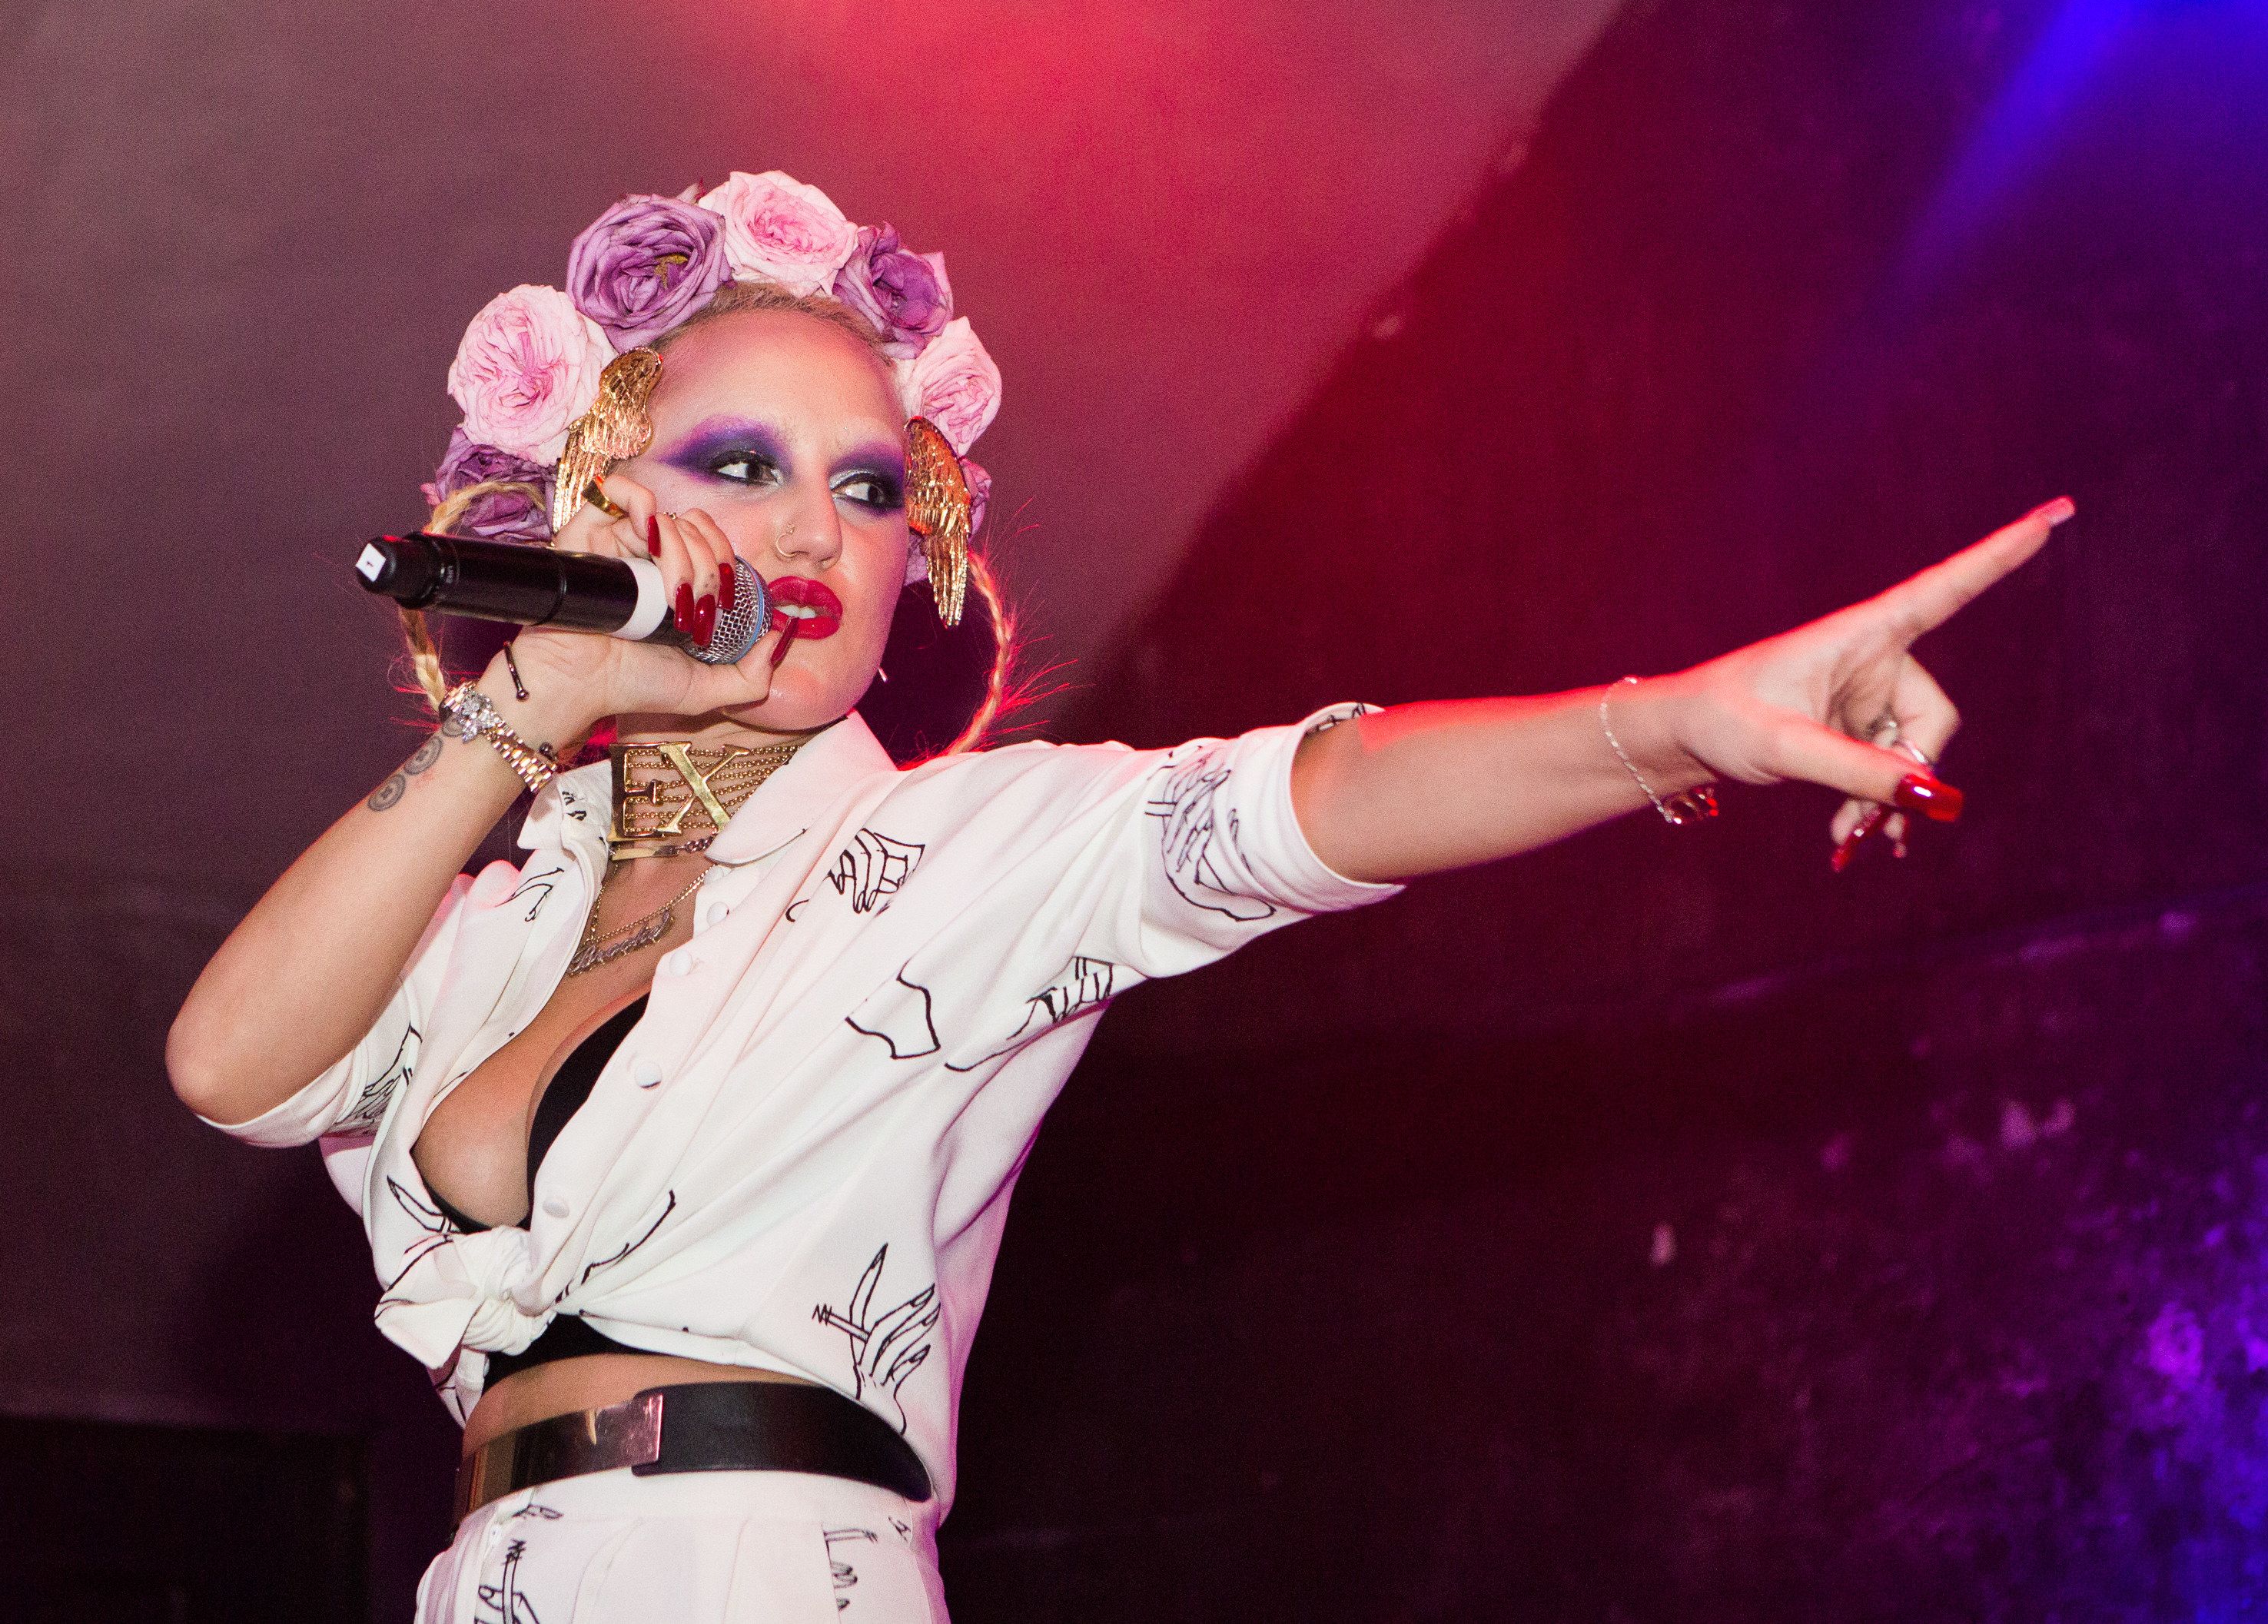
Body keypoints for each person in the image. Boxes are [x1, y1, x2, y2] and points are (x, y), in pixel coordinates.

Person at [166, 169, 2067, 1622]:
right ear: (601, 499)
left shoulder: (971, 855)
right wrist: (531, 709)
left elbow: (1319, 796)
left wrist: (1686, 723)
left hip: (765, 1566)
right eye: (736, 464)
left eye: (871, 486)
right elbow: (232, 1067)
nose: (814, 524)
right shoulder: (491, 915)